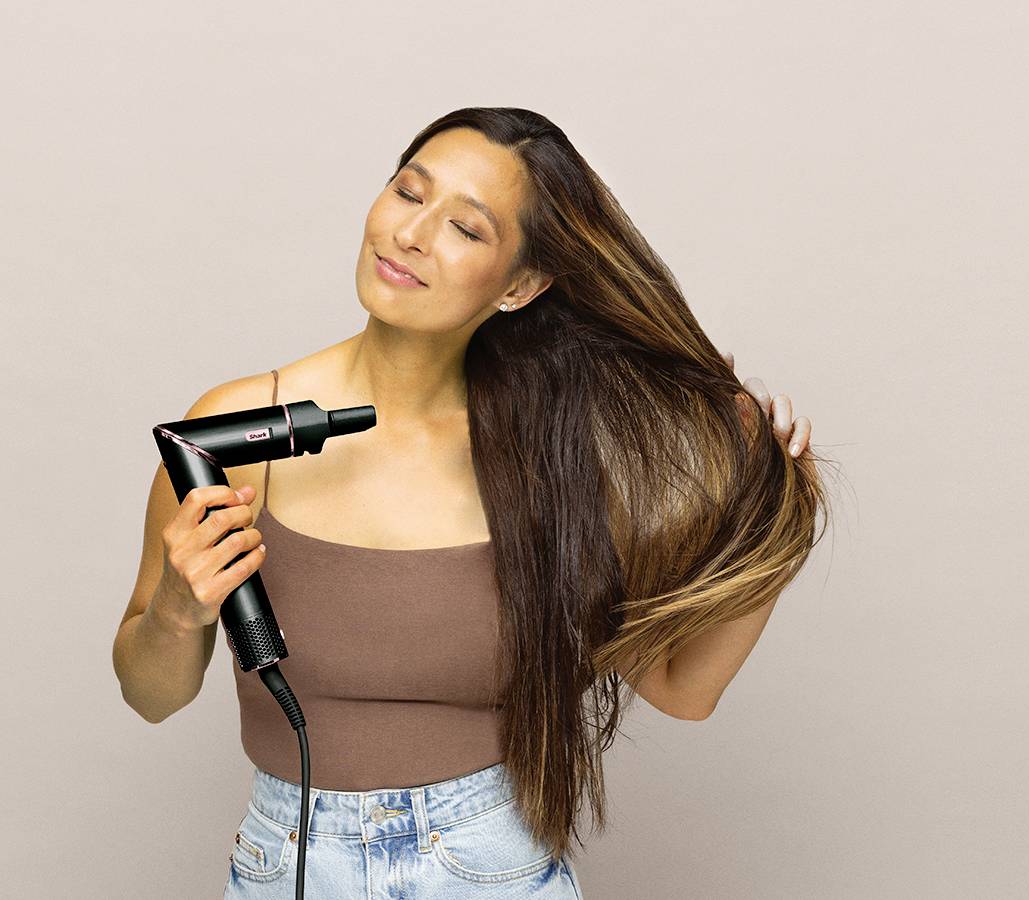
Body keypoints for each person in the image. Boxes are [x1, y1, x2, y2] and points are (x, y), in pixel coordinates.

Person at [112, 107, 829, 898]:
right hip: (291, 864)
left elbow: (682, 689)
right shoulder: (237, 433)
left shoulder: (553, 460)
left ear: (522, 285)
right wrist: (181, 608)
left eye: (466, 228)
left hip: (492, 865)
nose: (411, 234)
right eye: (407, 192)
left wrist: (776, 508)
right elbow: (151, 695)